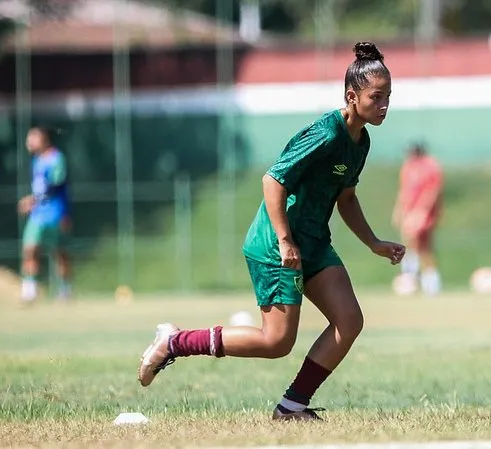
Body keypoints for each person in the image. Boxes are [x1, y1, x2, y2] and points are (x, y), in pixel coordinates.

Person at [138, 42, 405, 421]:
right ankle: (174, 342)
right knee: (276, 341)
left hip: (312, 244)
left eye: (388, 97)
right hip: (277, 244)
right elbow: (273, 181)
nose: (384, 105)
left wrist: (374, 243)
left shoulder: (360, 141)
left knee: (349, 320)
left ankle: (292, 407)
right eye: (377, 97)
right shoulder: (325, 133)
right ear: (351, 95)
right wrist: (284, 239)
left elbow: (346, 198)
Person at [18, 126, 72, 303]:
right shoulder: (36, 160)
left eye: (33, 138)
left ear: (44, 139)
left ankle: (65, 289)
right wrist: (34, 202)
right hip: (37, 215)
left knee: (59, 253)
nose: (29, 142)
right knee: (30, 248)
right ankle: (29, 290)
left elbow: (56, 185)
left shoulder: (56, 158)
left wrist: (32, 200)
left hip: (55, 213)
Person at [391, 143, 443, 296]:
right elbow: (404, 191)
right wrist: (399, 210)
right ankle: (411, 278)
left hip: (424, 213)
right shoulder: (408, 167)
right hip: (410, 211)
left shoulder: (431, 166)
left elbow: (433, 191)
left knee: (423, 246)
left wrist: (423, 211)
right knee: (410, 243)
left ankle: (429, 283)